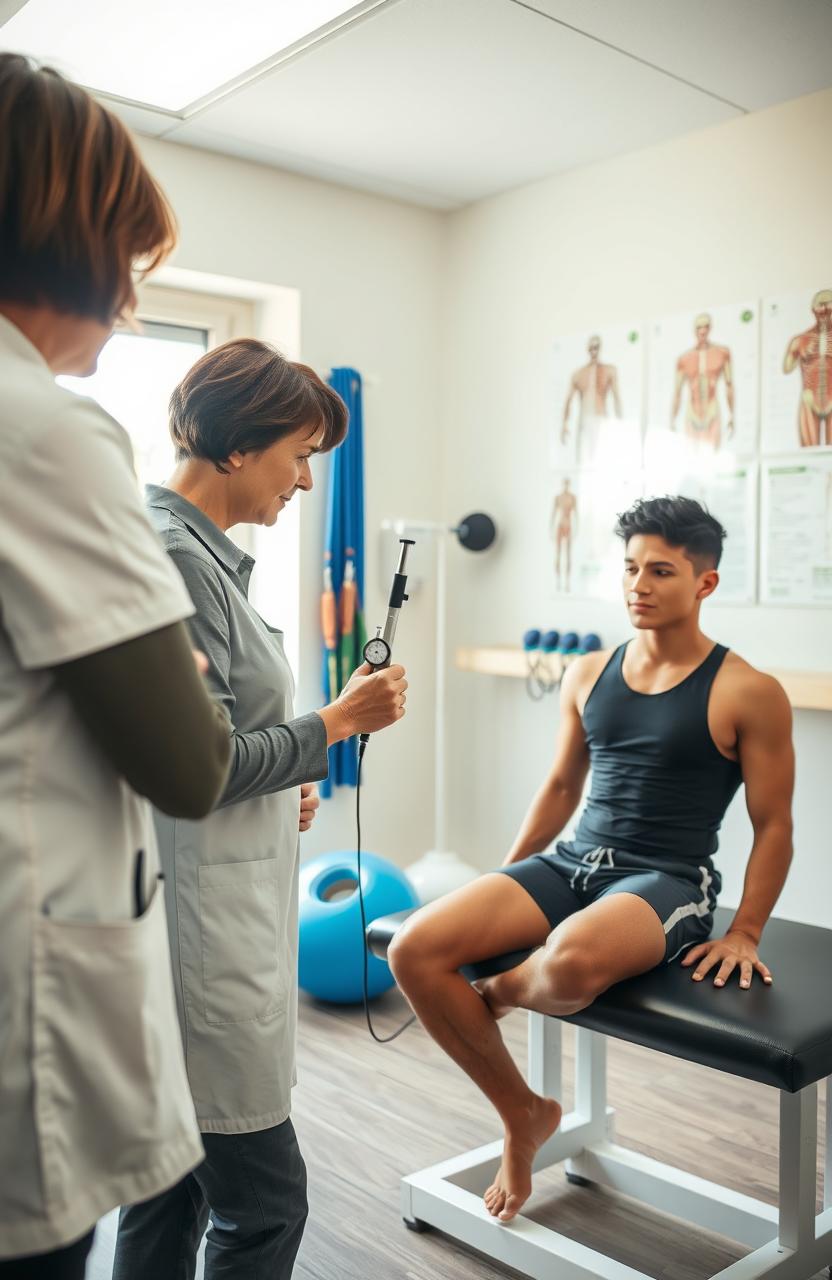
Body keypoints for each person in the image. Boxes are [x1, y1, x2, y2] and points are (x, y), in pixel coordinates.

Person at [390, 495, 793, 1226]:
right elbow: (560, 786)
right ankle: (524, 1114)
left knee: (571, 964)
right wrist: (505, 873)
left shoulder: (748, 691)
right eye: (632, 568)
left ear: (706, 583)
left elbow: (774, 827)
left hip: (668, 879)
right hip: (573, 859)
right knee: (415, 948)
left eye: (662, 571)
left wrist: (745, 933)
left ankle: (506, 989)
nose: (639, 584)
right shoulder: (588, 672)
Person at [0, 54, 233, 1277]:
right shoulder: (45, 426)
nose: (132, 302)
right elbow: (188, 762)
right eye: (133, 265)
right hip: (27, 987)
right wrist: (186, 669)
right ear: (74, 238)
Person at [113, 339, 408, 1280]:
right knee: (266, 1204)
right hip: (198, 934)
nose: (308, 482)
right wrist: (337, 722)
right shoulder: (173, 557)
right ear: (237, 447)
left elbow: (199, 746)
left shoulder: (199, 555)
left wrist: (284, 781)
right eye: (300, 455)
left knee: (173, 1190)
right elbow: (197, 765)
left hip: (205, 901)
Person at [670, 314, 734, 450]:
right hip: (692, 415)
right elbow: (677, 393)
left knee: (713, 463)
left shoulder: (722, 353)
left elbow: (729, 385)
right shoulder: (684, 359)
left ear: (710, 328)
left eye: (706, 326)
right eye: (699, 327)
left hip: (712, 412)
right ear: (695, 330)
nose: (703, 331)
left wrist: (732, 415)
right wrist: (672, 420)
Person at [782, 288, 832, 447]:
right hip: (809, 399)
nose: (824, 309)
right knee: (809, 458)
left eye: (828, 305)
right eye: (820, 305)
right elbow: (787, 367)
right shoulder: (800, 340)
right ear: (813, 310)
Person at [561, 335, 622, 461]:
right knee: (582, 463)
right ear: (587, 350)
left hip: (602, 421)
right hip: (584, 422)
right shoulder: (578, 374)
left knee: (604, 461)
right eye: (591, 348)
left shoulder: (609, 370)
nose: (594, 351)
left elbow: (616, 398)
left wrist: (620, 424)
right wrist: (564, 424)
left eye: (596, 348)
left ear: (600, 349)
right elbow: (568, 401)